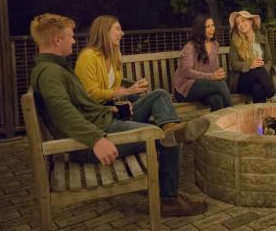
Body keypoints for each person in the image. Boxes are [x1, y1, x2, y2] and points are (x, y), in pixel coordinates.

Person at [31, 13, 208, 217]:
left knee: (163, 118)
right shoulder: (51, 72)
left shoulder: (55, 68)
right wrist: (96, 139)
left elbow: (79, 106)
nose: (74, 40)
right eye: (70, 36)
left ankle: (169, 140)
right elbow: (63, 111)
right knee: (168, 139)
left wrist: (108, 109)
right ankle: (168, 199)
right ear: (57, 39)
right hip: (94, 140)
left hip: (105, 122)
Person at [173, 15, 232, 111]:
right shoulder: (190, 46)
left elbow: (213, 68)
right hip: (185, 88)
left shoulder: (215, 45)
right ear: (200, 29)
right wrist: (211, 76)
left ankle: (218, 125)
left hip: (204, 86)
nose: (212, 29)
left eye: (212, 25)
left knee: (217, 100)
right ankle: (233, 114)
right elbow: (187, 71)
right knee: (220, 84)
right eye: (207, 27)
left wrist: (219, 73)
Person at [228, 10, 276, 103]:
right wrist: (250, 65)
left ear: (251, 21)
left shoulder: (262, 39)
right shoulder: (235, 41)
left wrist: (264, 71)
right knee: (259, 69)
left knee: (258, 88)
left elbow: (268, 59)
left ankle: (261, 114)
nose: (240, 24)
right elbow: (234, 64)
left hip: (260, 78)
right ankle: (274, 97)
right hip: (242, 81)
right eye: (238, 23)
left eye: (243, 21)